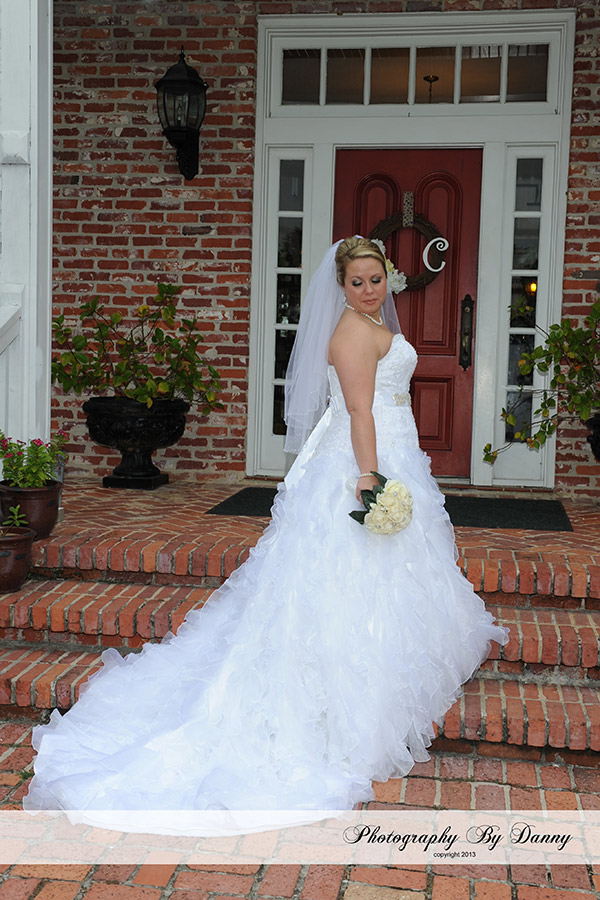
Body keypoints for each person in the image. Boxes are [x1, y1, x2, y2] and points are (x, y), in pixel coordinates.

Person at [23, 237, 509, 835]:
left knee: (391, 570)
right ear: (341, 286)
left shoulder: (373, 323)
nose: (367, 290)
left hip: (392, 447)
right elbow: (360, 411)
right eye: (356, 282)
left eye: (375, 279)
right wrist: (369, 478)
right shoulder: (352, 333)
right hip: (365, 458)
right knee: (347, 573)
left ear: (388, 277)